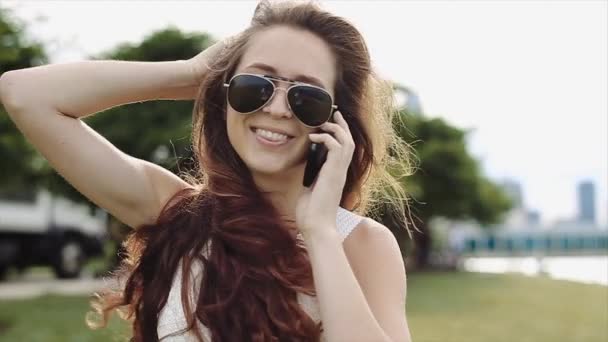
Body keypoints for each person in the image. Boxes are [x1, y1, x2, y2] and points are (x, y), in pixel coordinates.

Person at [0, 1, 413, 341]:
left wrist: (319, 231)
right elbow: (25, 94)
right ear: (226, 93)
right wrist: (193, 73)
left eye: (306, 96)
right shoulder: (176, 211)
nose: (277, 108)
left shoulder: (361, 244)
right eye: (257, 85)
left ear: (335, 120)